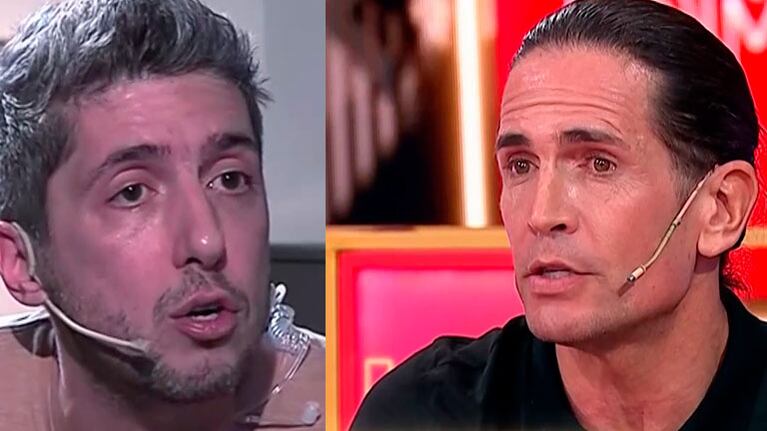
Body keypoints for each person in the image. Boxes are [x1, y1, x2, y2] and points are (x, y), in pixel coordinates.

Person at [352, 0, 767, 429]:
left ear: (721, 208)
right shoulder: (422, 414)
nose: (541, 214)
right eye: (521, 165)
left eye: (599, 164)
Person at [0, 0, 324, 430]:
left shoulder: (363, 409)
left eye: (229, 180)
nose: (207, 241)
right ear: (21, 262)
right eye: (132, 192)